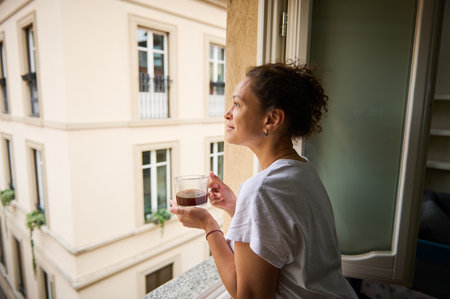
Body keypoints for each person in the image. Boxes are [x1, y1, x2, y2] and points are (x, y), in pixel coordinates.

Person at [169, 62, 357, 298]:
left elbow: (247, 295)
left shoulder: (262, 189)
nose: (227, 113)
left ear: (271, 119)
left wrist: (208, 225)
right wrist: (235, 207)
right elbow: (282, 237)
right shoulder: (302, 171)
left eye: (237, 104)